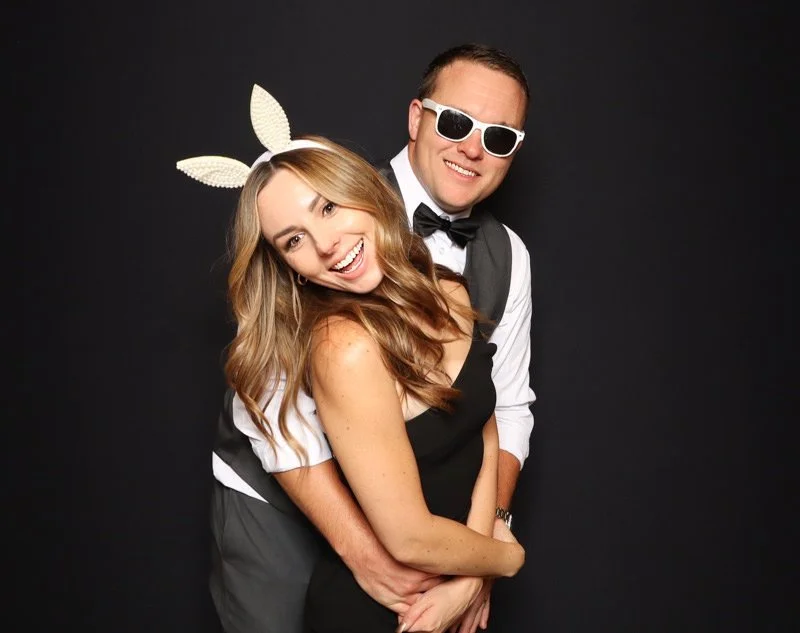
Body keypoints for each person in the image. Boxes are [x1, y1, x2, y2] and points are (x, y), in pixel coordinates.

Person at [204, 43, 535, 633]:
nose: (472, 148)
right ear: (416, 117)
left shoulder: (505, 257)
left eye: (499, 137)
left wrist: (479, 558)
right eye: (457, 123)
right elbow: (275, 424)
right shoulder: (318, 205)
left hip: (443, 535)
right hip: (290, 510)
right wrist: (368, 554)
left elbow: (501, 405)